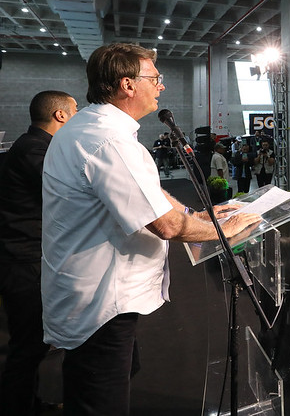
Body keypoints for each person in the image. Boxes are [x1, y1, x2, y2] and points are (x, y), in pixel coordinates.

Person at [40, 43, 261, 415]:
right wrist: (230, 230)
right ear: (128, 84)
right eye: (155, 79)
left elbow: (149, 196)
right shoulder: (108, 140)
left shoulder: (95, 127)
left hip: (95, 293)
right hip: (101, 302)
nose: (161, 86)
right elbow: (168, 225)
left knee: (110, 379)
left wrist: (200, 213)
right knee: (101, 401)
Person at [0, 90, 77, 416]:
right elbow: (70, 192)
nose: (78, 115)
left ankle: (27, 404)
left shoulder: (34, 146)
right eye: (75, 110)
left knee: (31, 344)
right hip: (23, 262)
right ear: (60, 115)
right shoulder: (35, 149)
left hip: (28, 258)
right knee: (27, 346)